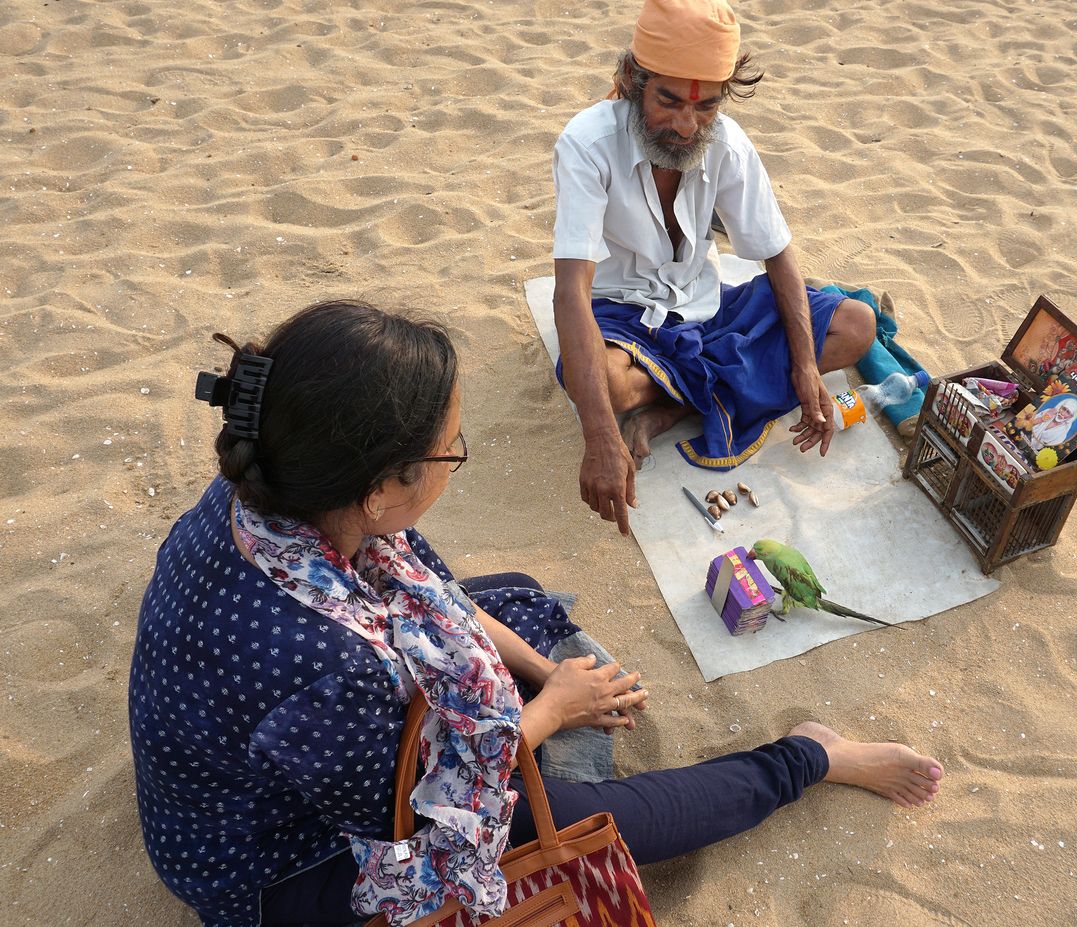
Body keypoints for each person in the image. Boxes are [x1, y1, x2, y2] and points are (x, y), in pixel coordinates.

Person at [129, 301, 943, 927]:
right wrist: (551, 712)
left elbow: (434, 599)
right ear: (379, 490)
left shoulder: (269, 482)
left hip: (277, 757)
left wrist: (548, 675)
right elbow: (422, 817)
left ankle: (555, 710)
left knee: (509, 594)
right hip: (268, 864)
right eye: (450, 449)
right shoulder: (328, 666)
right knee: (611, 822)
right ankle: (808, 757)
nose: (456, 458)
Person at [552, 0, 878, 535]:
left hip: (705, 305)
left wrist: (803, 370)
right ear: (634, 83)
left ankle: (675, 407)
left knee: (856, 325)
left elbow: (777, 256)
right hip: (623, 312)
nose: (687, 126)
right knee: (605, 388)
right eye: (670, 101)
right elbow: (570, 293)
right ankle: (706, 389)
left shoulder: (725, 143)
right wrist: (600, 439)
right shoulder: (586, 144)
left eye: (706, 105)